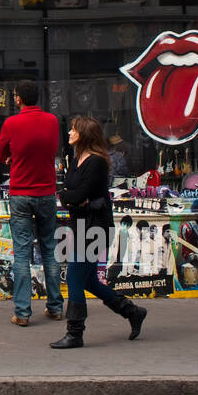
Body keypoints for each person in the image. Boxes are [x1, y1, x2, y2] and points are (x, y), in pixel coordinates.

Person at [51, 116, 148, 349]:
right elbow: (68, 193)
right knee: (89, 280)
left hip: (95, 226)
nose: (70, 133)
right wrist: (71, 197)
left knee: (74, 276)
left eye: (74, 130)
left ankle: (75, 333)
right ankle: (132, 311)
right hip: (80, 225)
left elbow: (76, 193)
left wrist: (71, 197)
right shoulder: (77, 160)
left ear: (84, 134)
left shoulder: (96, 162)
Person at [0, 80, 63, 325]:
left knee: (22, 254)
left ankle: (22, 313)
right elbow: (52, 149)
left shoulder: (11, 123)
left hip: (21, 193)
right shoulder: (52, 121)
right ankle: (55, 306)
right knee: (49, 250)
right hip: (46, 193)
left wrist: (14, 156)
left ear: (18, 98)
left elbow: (0, 155)